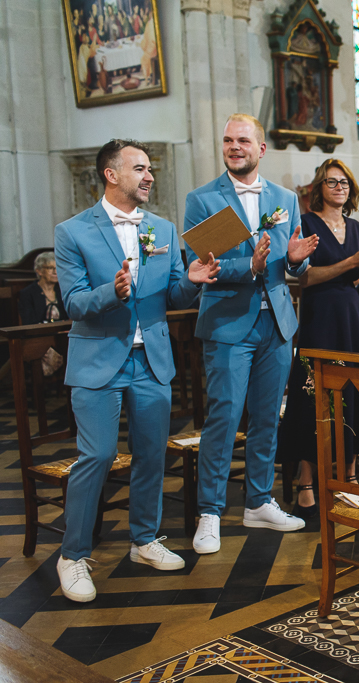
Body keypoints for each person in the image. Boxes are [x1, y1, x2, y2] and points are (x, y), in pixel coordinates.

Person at [53, 139, 220, 602]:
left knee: (151, 454)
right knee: (99, 455)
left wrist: (192, 281)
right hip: (99, 360)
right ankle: (73, 555)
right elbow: (74, 303)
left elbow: (171, 295)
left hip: (151, 360)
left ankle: (144, 541)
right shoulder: (73, 232)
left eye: (150, 169)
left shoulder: (162, 228)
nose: (149, 176)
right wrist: (114, 290)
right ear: (111, 174)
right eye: (139, 168)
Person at [183, 114, 319, 554]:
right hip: (227, 323)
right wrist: (252, 266)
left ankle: (259, 501)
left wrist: (295, 260)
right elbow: (208, 267)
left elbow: (292, 262)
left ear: (261, 149)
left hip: (277, 322)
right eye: (227, 140)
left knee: (267, 417)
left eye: (243, 140)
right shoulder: (202, 200)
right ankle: (209, 512)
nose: (234, 146)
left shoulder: (284, 198)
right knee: (223, 418)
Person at [278, 159, 359, 516]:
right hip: (320, 318)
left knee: (352, 395)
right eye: (331, 182)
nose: (339, 188)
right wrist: (352, 262)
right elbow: (305, 279)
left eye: (344, 183)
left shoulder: (357, 227)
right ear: (319, 188)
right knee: (311, 398)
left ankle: (347, 479)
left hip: (352, 319)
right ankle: (306, 483)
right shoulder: (307, 224)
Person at [19, 253, 67, 325]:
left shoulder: (62, 290)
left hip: (62, 332)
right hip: (39, 334)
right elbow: (29, 323)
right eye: (50, 268)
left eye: (57, 268)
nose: (55, 272)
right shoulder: (27, 293)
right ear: (39, 271)